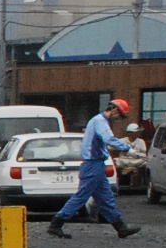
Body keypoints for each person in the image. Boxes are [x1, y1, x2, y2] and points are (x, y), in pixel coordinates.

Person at [48, 98, 142, 240]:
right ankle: (56, 224)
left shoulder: (97, 121)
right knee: (82, 196)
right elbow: (108, 138)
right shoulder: (100, 122)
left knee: (106, 198)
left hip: (96, 165)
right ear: (115, 110)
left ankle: (121, 228)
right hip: (93, 165)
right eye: (120, 115)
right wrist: (128, 149)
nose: (118, 118)